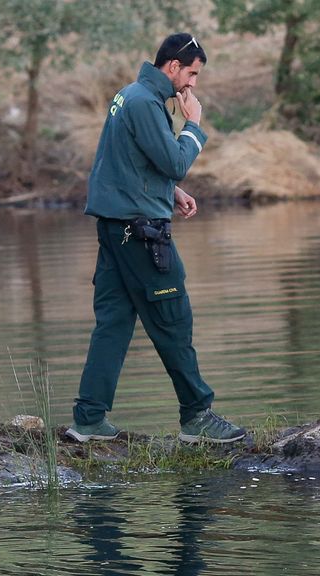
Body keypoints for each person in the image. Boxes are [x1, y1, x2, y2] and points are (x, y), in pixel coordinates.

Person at [67, 33, 245, 444]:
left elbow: (125, 160)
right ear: (173, 67)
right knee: (173, 319)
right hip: (139, 232)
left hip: (114, 228)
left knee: (112, 323)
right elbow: (176, 161)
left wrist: (170, 193)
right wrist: (195, 126)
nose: (193, 85)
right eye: (192, 74)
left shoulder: (129, 95)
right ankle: (197, 416)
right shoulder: (148, 103)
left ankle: (89, 419)